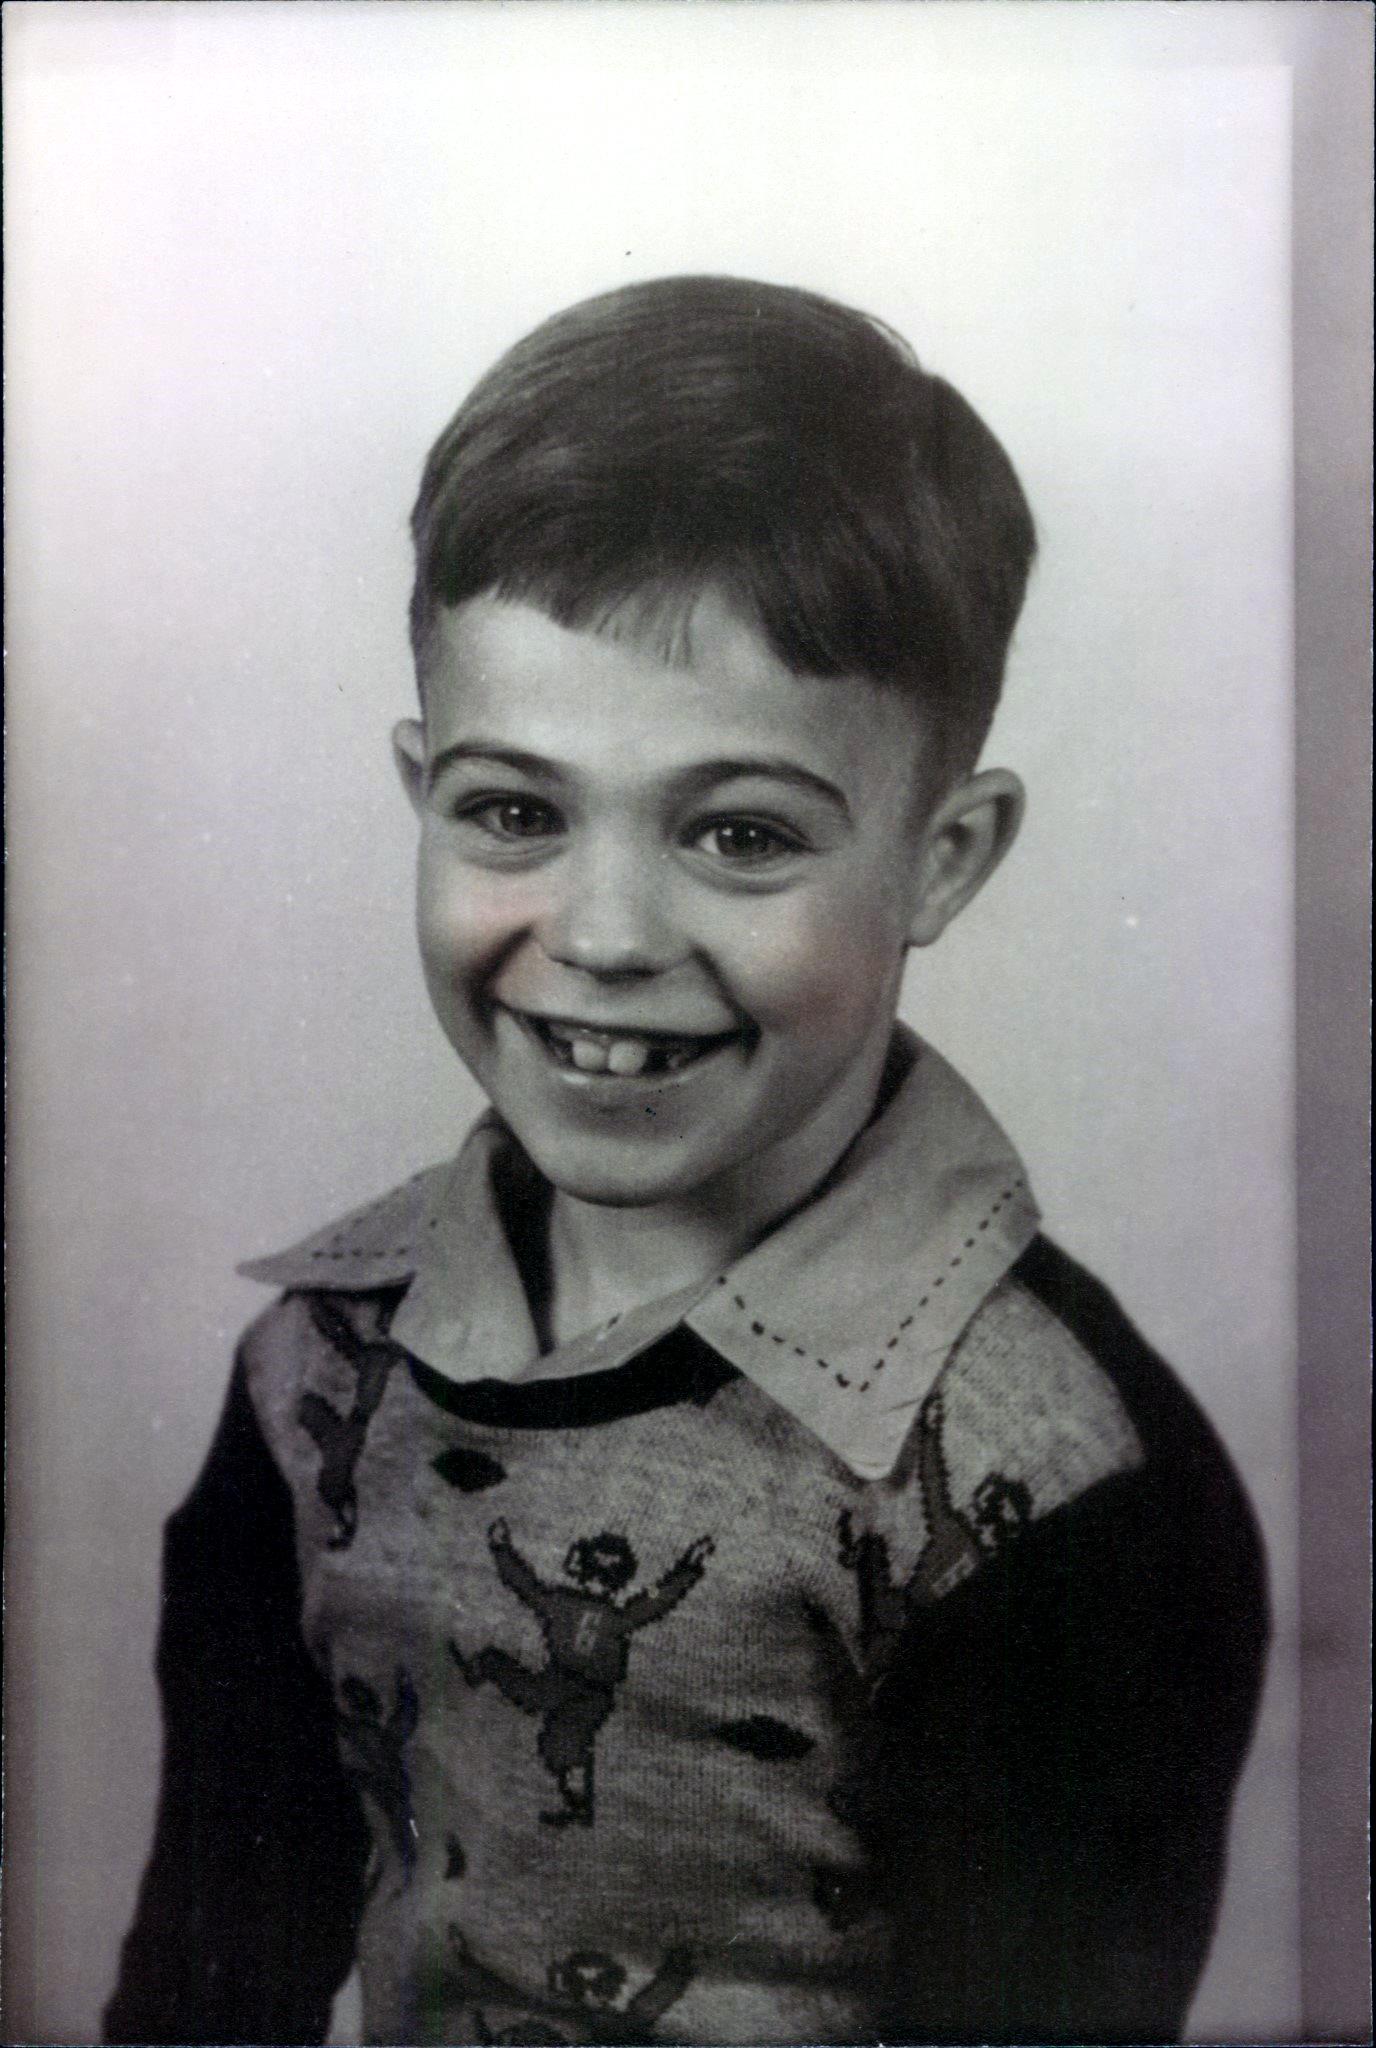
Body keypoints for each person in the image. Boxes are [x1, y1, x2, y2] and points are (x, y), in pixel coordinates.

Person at [104, 276, 1267, 2047]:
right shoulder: (313, 1377)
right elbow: (201, 1985)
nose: (606, 935)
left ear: (944, 859)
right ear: (420, 792)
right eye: (515, 812)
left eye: (739, 834)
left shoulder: (1056, 1489)